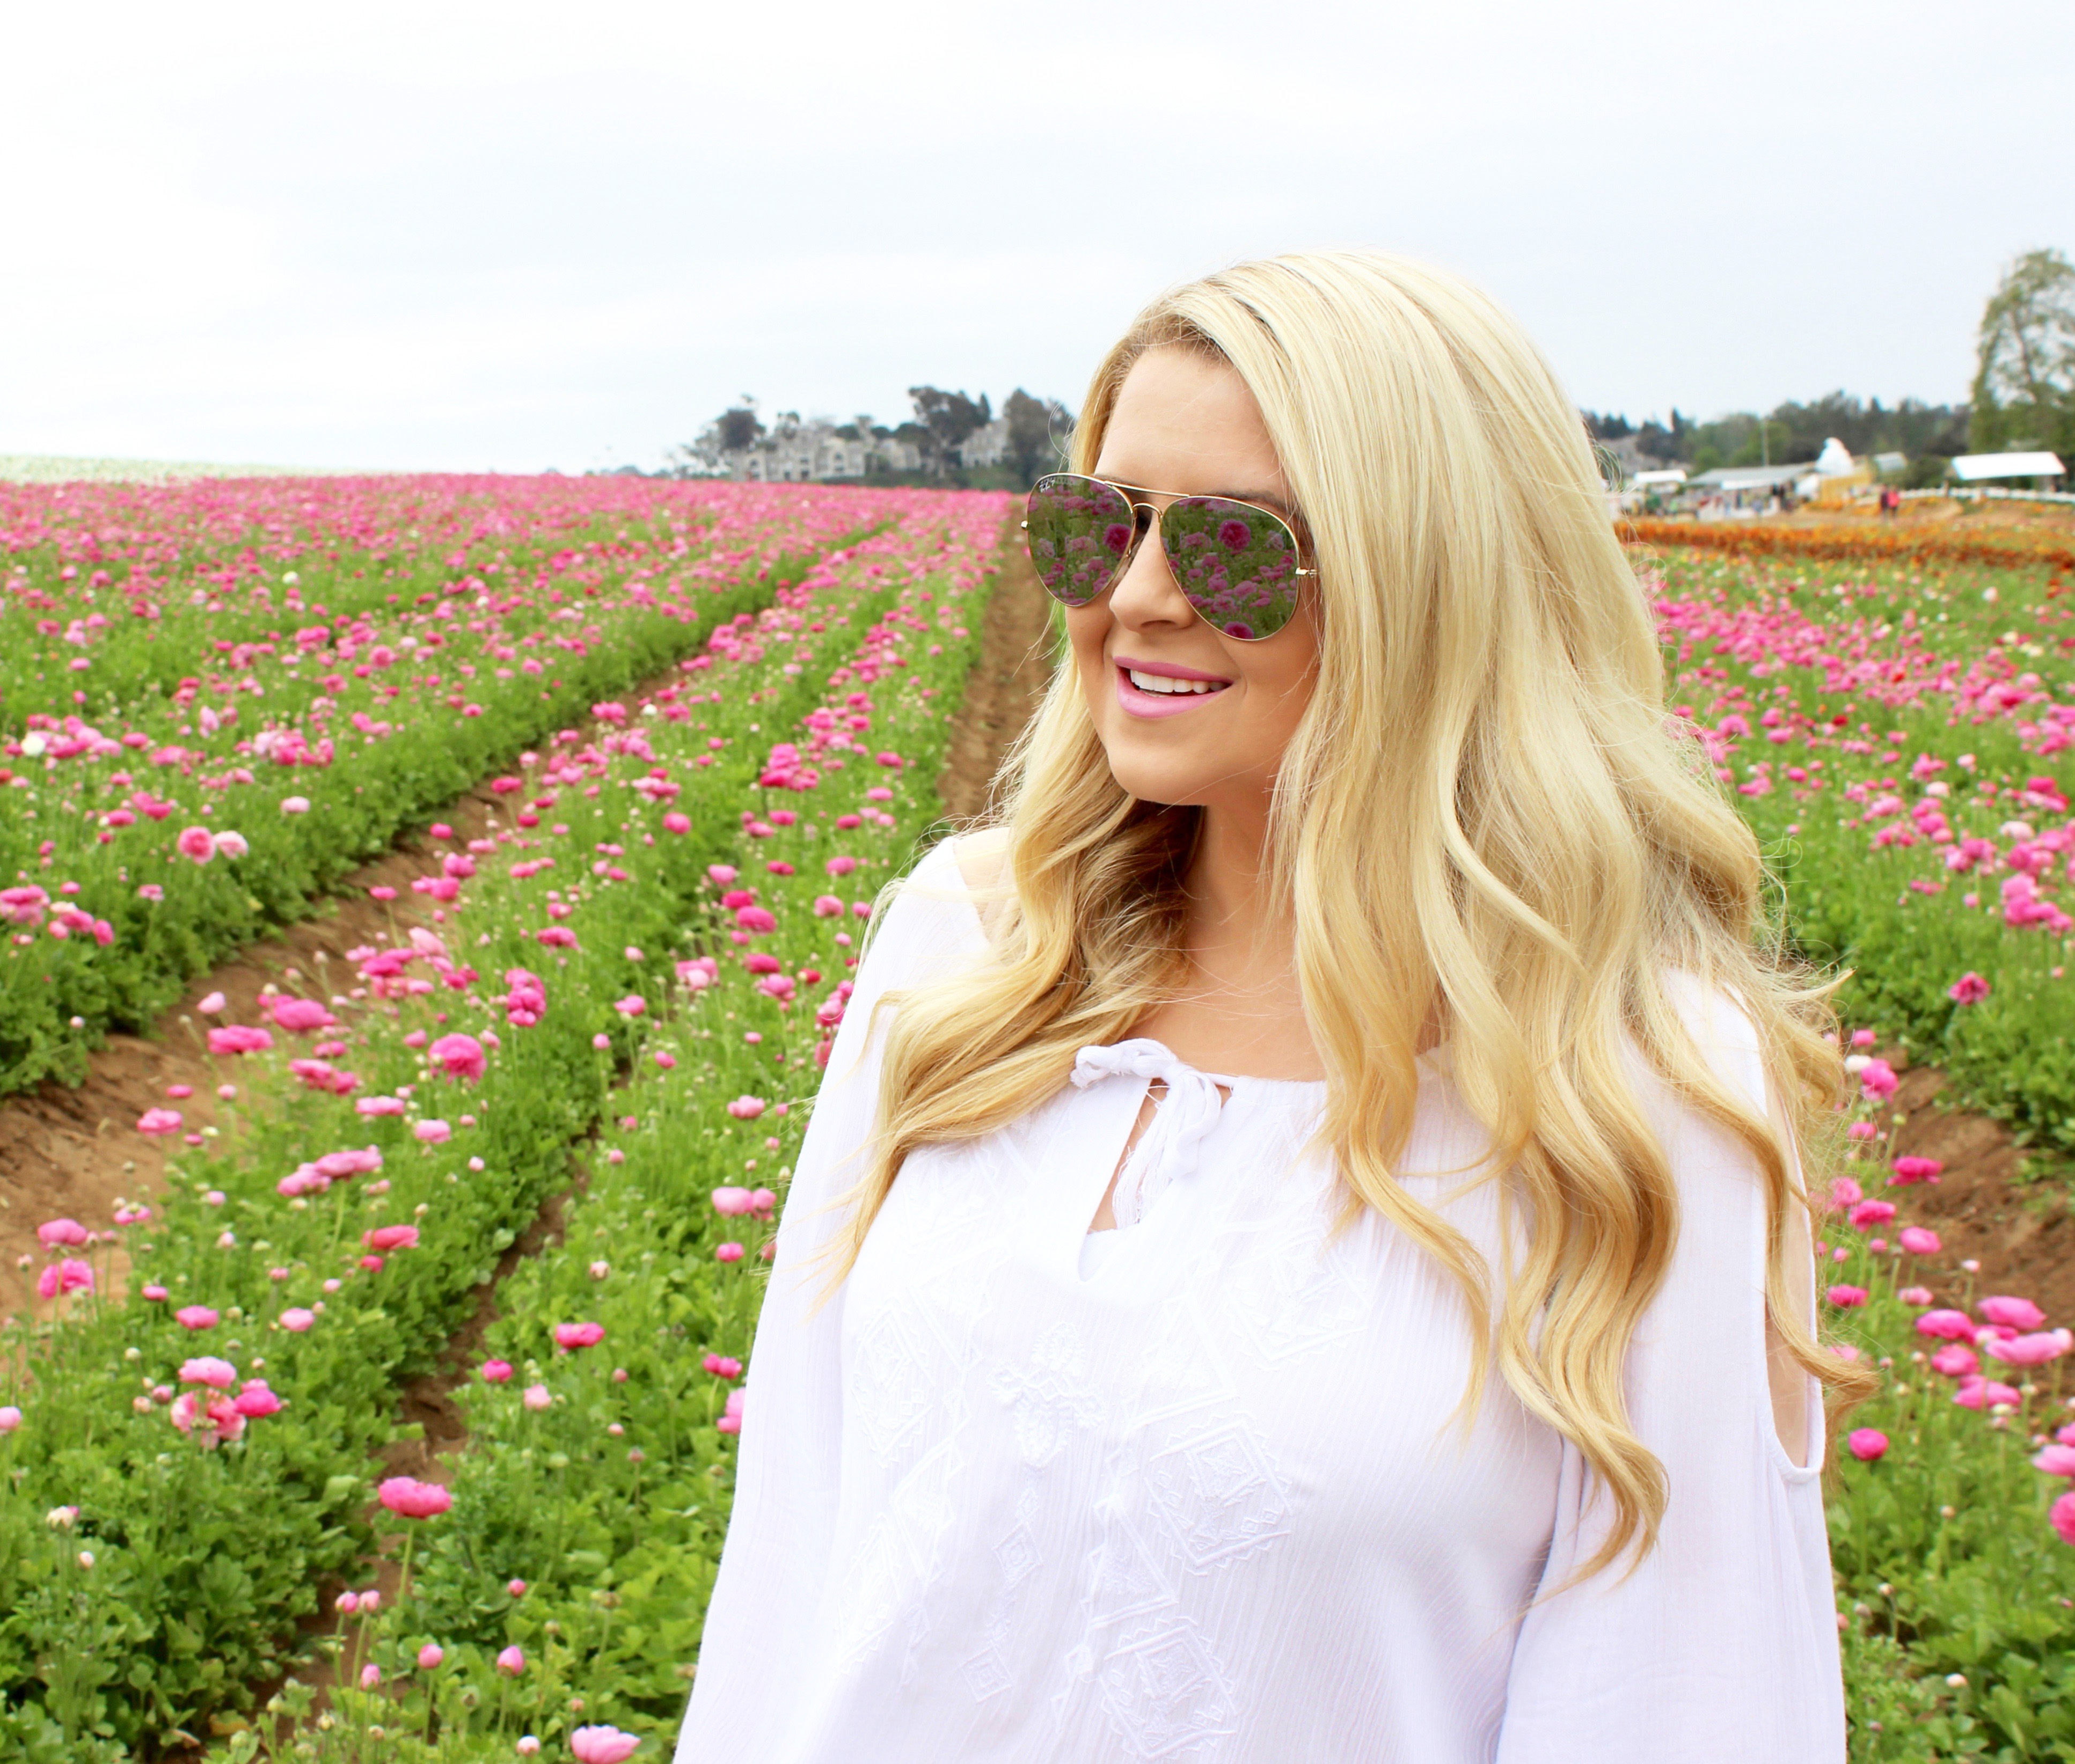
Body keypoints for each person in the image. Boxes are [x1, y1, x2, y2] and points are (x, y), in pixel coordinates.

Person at [675, 250, 1861, 1764]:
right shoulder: (964, 955)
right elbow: (792, 1557)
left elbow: (1682, 1703)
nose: (1141, 598)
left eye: (1241, 548)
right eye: (1096, 527)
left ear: (1432, 587)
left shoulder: (1632, 1088)